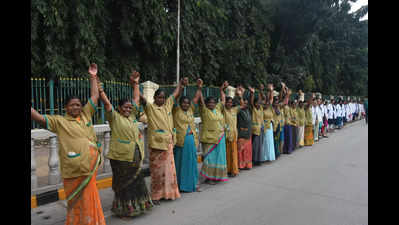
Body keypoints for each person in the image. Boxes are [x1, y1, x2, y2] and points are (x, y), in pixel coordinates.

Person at [31, 63, 106, 225]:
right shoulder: (60, 122)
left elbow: (94, 96)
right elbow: (38, 118)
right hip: (73, 172)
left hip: (89, 169)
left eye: (78, 104)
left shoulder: (86, 115)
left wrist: (93, 76)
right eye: (72, 105)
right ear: (66, 107)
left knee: (91, 201)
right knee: (76, 205)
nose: (76, 107)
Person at [97, 70, 153, 218]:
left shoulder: (133, 116)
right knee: (124, 185)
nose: (128, 109)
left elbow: (136, 98)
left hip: (135, 155)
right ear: (120, 108)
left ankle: (139, 206)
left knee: (137, 182)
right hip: (121, 158)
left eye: (130, 107)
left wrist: (135, 83)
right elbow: (107, 103)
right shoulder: (114, 117)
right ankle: (124, 210)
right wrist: (100, 90)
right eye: (125, 107)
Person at [140, 78, 187, 204]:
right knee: (157, 173)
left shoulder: (168, 106)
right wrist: (134, 84)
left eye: (163, 97)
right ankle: (156, 196)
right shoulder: (150, 108)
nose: (162, 99)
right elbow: (142, 100)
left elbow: (175, 94)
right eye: (159, 97)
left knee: (169, 171)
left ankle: (169, 193)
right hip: (156, 145)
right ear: (155, 98)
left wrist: (181, 85)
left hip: (168, 144)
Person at [172, 78, 203, 192]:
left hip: (191, 142)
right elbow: (175, 97)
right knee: (180, 164)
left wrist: (199, 87)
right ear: (180, 103)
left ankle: (193, 184)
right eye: (183, 102)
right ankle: (180, 186)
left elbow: (197, 97)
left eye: (187, 103)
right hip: (180, 142)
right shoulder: (176, 110)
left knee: (192, 163)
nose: (185, 104)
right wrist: (181, 86)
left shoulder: (190, 110)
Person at [198, 81, 229, 184]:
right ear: (206, 104)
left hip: (220, 138)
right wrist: (199, 88)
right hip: (209, 139)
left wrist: (221, 90)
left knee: (218, 158)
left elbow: (223, 100)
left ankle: (216, 176)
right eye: (209, 102)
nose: (211, 104)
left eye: (213, 102)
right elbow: (200, 101)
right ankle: (209, 177)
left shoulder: (217, 109)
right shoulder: (204, 111)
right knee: (209, 159)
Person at [223, 85, 245, 177]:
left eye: (231, 102)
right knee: (227, 154)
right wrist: (222, 90)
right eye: (228, 102)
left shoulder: (234, 110)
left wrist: (240, 96)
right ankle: (227, 170)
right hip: (226, 135)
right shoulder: (223, 110)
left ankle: (234, 170)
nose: (229, 104)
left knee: (233, 154)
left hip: (234, 135)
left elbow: (243, 105)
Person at [236, 89, 253, 170]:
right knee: (240, 150)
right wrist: (240, 96)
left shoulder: (249, 110)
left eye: (246, 103)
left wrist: (252, 94)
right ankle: (240, 165)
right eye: (244, 103)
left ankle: (247, 165)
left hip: (248, 133)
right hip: (241, 133)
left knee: (247, 151)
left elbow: (252, 102)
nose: (245, 104)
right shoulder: (238, 111)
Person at [259, 84, 276, 161]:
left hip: (269, 126)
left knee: (269, 141)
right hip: (263, 126)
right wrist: (261, 90)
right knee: (264, 142)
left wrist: (271, 90)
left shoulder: (269, 105)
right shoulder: (262, 105)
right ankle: (264, 157)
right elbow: (263, 97)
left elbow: (271, 98)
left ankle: (269, 157)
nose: (266, 103)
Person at [249, 86, 264, 166]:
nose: (259, 103)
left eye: (259, 102)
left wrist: (261, 90)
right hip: (255, 131)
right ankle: (254, 159)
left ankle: (259, 160)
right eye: (257, 102)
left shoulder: (261, 108)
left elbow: (262, 99)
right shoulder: (253, 109)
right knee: (255, 146)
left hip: (261, 129)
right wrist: (252, 93)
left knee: (260, 146)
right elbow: (251, 102)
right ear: (254, 103)